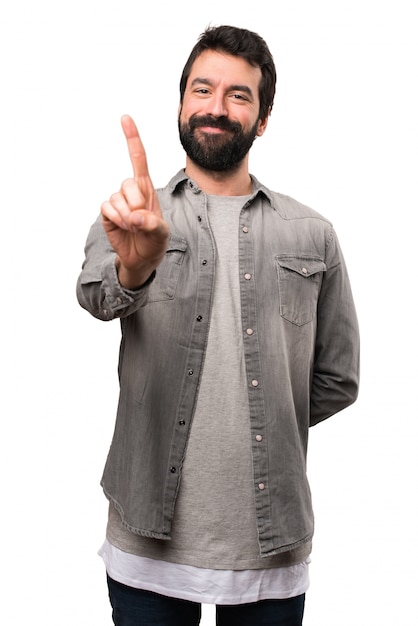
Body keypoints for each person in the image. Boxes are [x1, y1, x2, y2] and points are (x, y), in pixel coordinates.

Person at [76, 24, 360, 626]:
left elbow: (338, 378)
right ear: (181, 105)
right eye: (202, 89)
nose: (216, 107)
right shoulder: (132, 215)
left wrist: (260, 415)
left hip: (271, 542)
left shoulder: (312, 233)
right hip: (145, 544)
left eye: (239, 95)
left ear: (261, 120)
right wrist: (137, 266)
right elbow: (95, 297)